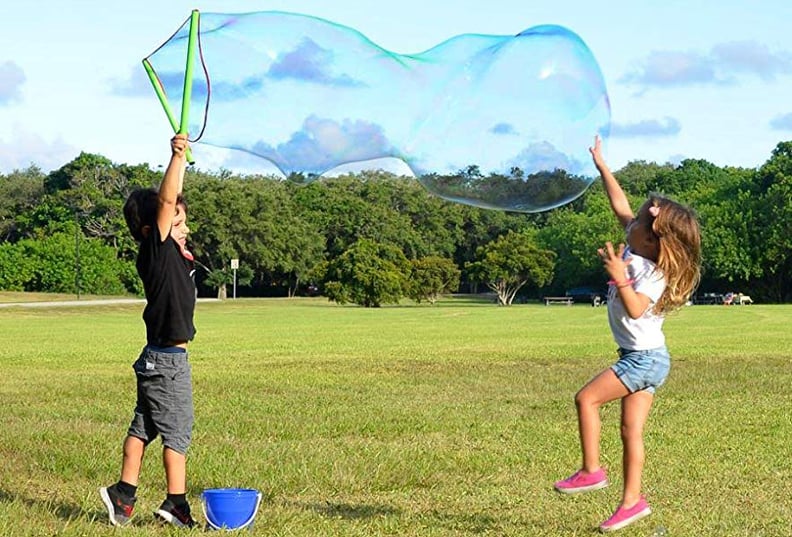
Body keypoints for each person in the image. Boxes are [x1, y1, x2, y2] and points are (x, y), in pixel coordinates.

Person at [554, 135, 701, 533]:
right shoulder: (639, 246)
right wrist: (603, 166)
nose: (629, 222)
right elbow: (619, 203)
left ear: (653, 239)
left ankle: (591, 471)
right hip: (643, 358)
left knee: (586, 399)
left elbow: (637, 308)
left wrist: (620, 278)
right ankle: (632, 502)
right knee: (629, 430)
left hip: (644, 360)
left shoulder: (653, 272)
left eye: (637, 222)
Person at [100, 133, 198, 528]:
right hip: (168, 362)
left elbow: (173, 201)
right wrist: (175, 158)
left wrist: (184, 166)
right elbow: (167, 199)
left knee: (144, 426)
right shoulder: (155, 251)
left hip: (158, 357)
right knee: (178, 433)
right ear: (150, 226)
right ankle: (176, 504)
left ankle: (122, 494)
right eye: (177, 218)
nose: (184, 225)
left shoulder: (170, 252)